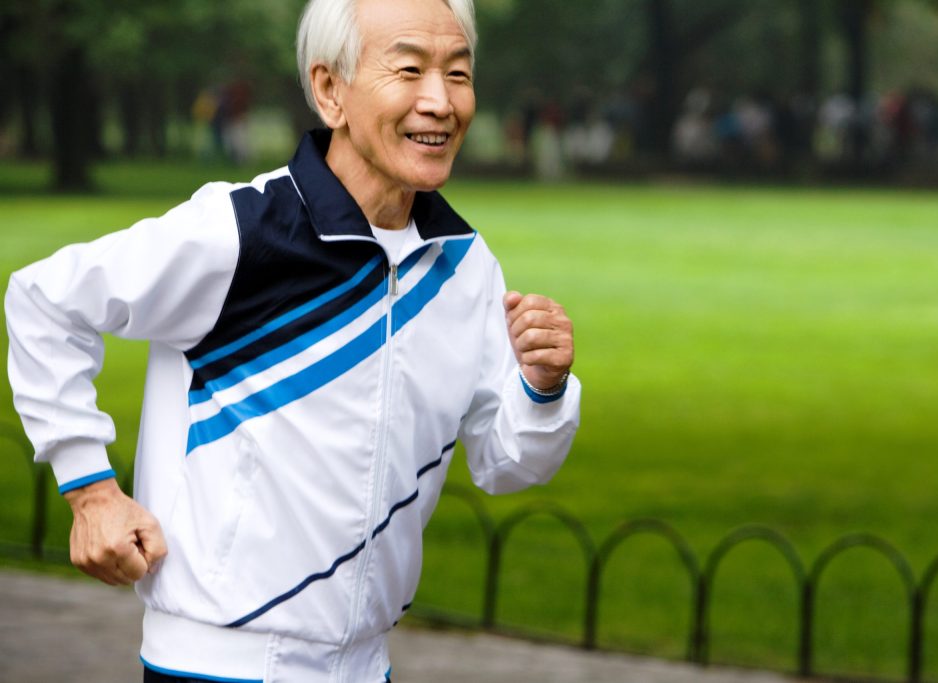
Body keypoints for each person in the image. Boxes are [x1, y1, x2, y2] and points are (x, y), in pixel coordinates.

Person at [4, 0, 580, 680]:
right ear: (330, 89)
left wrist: (542, 388)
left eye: (458, 73)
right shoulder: (243, 231)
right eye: (409, 70)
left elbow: (506, 461)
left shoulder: (464, 267)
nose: (440, 101)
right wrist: (90, 490)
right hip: (214, 666)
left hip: (367, 666)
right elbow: (44, 300)